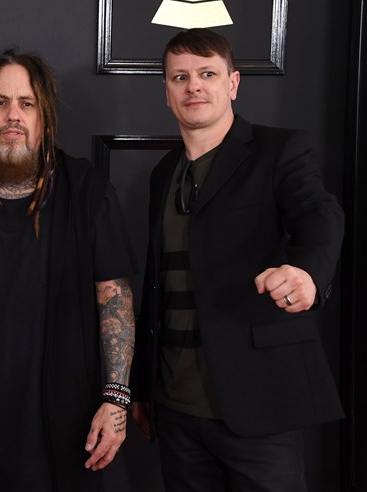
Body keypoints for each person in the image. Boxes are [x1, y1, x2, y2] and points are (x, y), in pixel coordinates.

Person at [131, 28, 345, 491]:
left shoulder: (279, 150)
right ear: (166, 92)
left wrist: (307, 272)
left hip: (259, 405)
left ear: (232, 84)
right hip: (175, 410)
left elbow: (320, 214)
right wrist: (144, 386)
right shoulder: (163, 174)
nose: (193, 86)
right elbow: (157, 283)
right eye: (179, 77)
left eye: (207, 73)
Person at [0, 49, 138, 491]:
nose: (12, 115)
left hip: (70, 419)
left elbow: (115, 299)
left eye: (27, 103)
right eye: (0, 103)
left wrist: (116, 402)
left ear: (44, 118)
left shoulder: (87, 189)